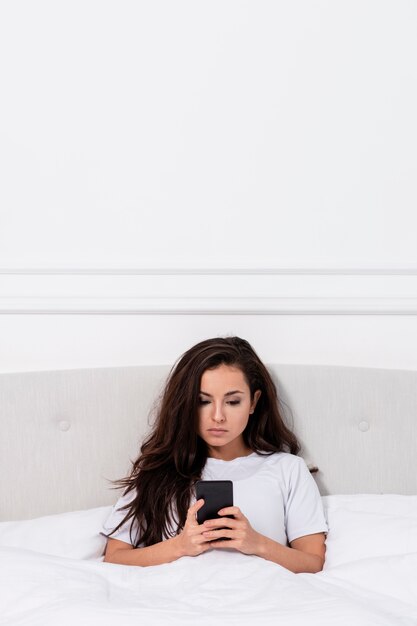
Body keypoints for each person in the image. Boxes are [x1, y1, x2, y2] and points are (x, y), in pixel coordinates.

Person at [101, 336, 328, 572]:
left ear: (253, 402)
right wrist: (180, 546)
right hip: (178, 599)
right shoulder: (158, 470)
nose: (218, 416)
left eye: (232, 401)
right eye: (203, 401)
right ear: (186, 403)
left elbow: (313, 562)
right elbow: (115, 557)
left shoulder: (288, 469)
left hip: (260, 598)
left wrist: (256, 543)